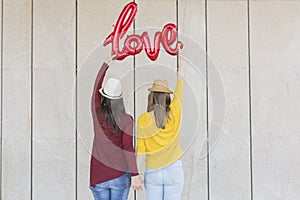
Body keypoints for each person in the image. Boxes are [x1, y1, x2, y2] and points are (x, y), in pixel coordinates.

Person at [89, 56, 143, 200]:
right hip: (120, 176)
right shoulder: (127, 120)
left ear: (104, 97)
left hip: (98, 176)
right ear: (120, 99)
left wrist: (106, 63)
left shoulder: (97, 113)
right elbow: (128, 148)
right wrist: (135, 175)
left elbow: (95, 88)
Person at [136, 50, 185, 200]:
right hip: (174, 169)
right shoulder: (175, 111)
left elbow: (140, 151)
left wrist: (136, 174)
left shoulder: (143, 119)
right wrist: (181, 58)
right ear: (167, 97)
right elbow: (181, 82)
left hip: (153, 171)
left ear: (151, 97)